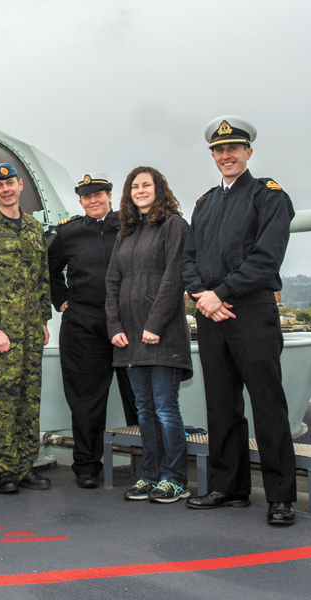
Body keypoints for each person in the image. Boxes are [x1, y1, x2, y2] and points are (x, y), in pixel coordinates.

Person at [182, 116, 297, 526]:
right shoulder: (205, 203)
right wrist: (202, 296)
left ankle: (280, 497)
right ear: (212, 156)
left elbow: (267, 258)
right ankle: (228, 487)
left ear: (248, 152)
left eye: (233, 149)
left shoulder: (269, 196)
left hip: (249, 310)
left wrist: (221, 293)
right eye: (219, 150)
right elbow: (189, 259)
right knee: (221, 405)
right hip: (212, 314)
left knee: (267, 404)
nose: (226, 156)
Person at [106, 167, 192, 504]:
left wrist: (154, 326)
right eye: (135, 186)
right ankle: (150, 475)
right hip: (130, 338)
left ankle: (174, 479)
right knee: (144, 410)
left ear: (159, 189)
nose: (141, 190)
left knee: (165, 409)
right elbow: (113, 282)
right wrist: (114, 327)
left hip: (162, 335)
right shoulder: (125, 233)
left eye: (147, 185)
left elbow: (174, 278)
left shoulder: (174, 225)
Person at [48, 172, 139, 489]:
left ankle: (147, 465)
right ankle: (87, 466)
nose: (93, 200)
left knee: (140, 396)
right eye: (87, 197)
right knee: (86, 401)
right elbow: (49, 269)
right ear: (80, 201)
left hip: (128, 322)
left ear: (110, 195)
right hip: (83, 323)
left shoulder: (130, 227)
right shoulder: (68, 233)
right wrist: (61, 301)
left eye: (98, 194)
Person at [0, 163, 53, 494]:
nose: (6, 189)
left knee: (29, 398)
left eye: (10, 183)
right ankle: (2, 468)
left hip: (31, 330)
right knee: (2, 401)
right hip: (1, 332)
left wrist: (44, 319)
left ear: (20, 186)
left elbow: (42, 276)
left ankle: (24, 466)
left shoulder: (33, 228)